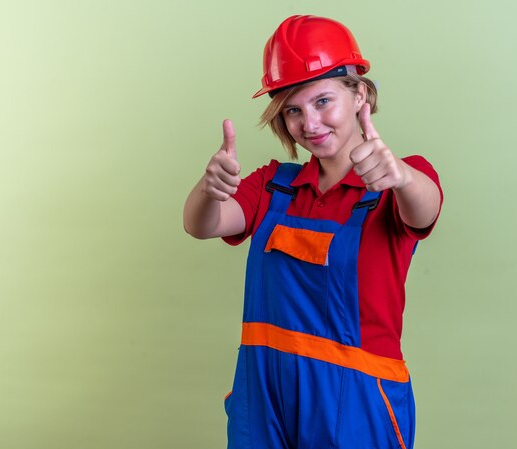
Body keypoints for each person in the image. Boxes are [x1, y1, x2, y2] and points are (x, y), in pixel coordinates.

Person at [183, 14, 443, 449]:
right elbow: (201, 225)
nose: (310, 123)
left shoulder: (400, 183)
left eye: (323, 101)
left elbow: (424, 208)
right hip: (264, 394)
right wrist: (210, 190)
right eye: (293, 110)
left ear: (359, 93)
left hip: (358, 403)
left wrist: (398, 176)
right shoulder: (274, 186)